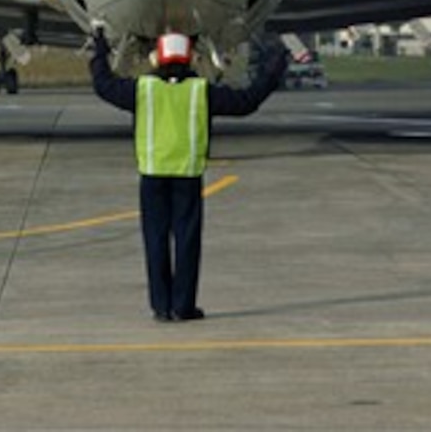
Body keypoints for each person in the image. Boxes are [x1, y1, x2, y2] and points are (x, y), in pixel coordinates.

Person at [90, 28, 288, 323]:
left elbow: (104, 86)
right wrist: (271, 72)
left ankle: (160, 306)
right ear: (190, 58)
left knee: (155, 240)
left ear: (158, 57)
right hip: (187, 174)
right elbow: (246, 102)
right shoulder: (200, 91)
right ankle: (183, 307)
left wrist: (100, 53)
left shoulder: (143, 89)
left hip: (153, 175)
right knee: (186, 241)